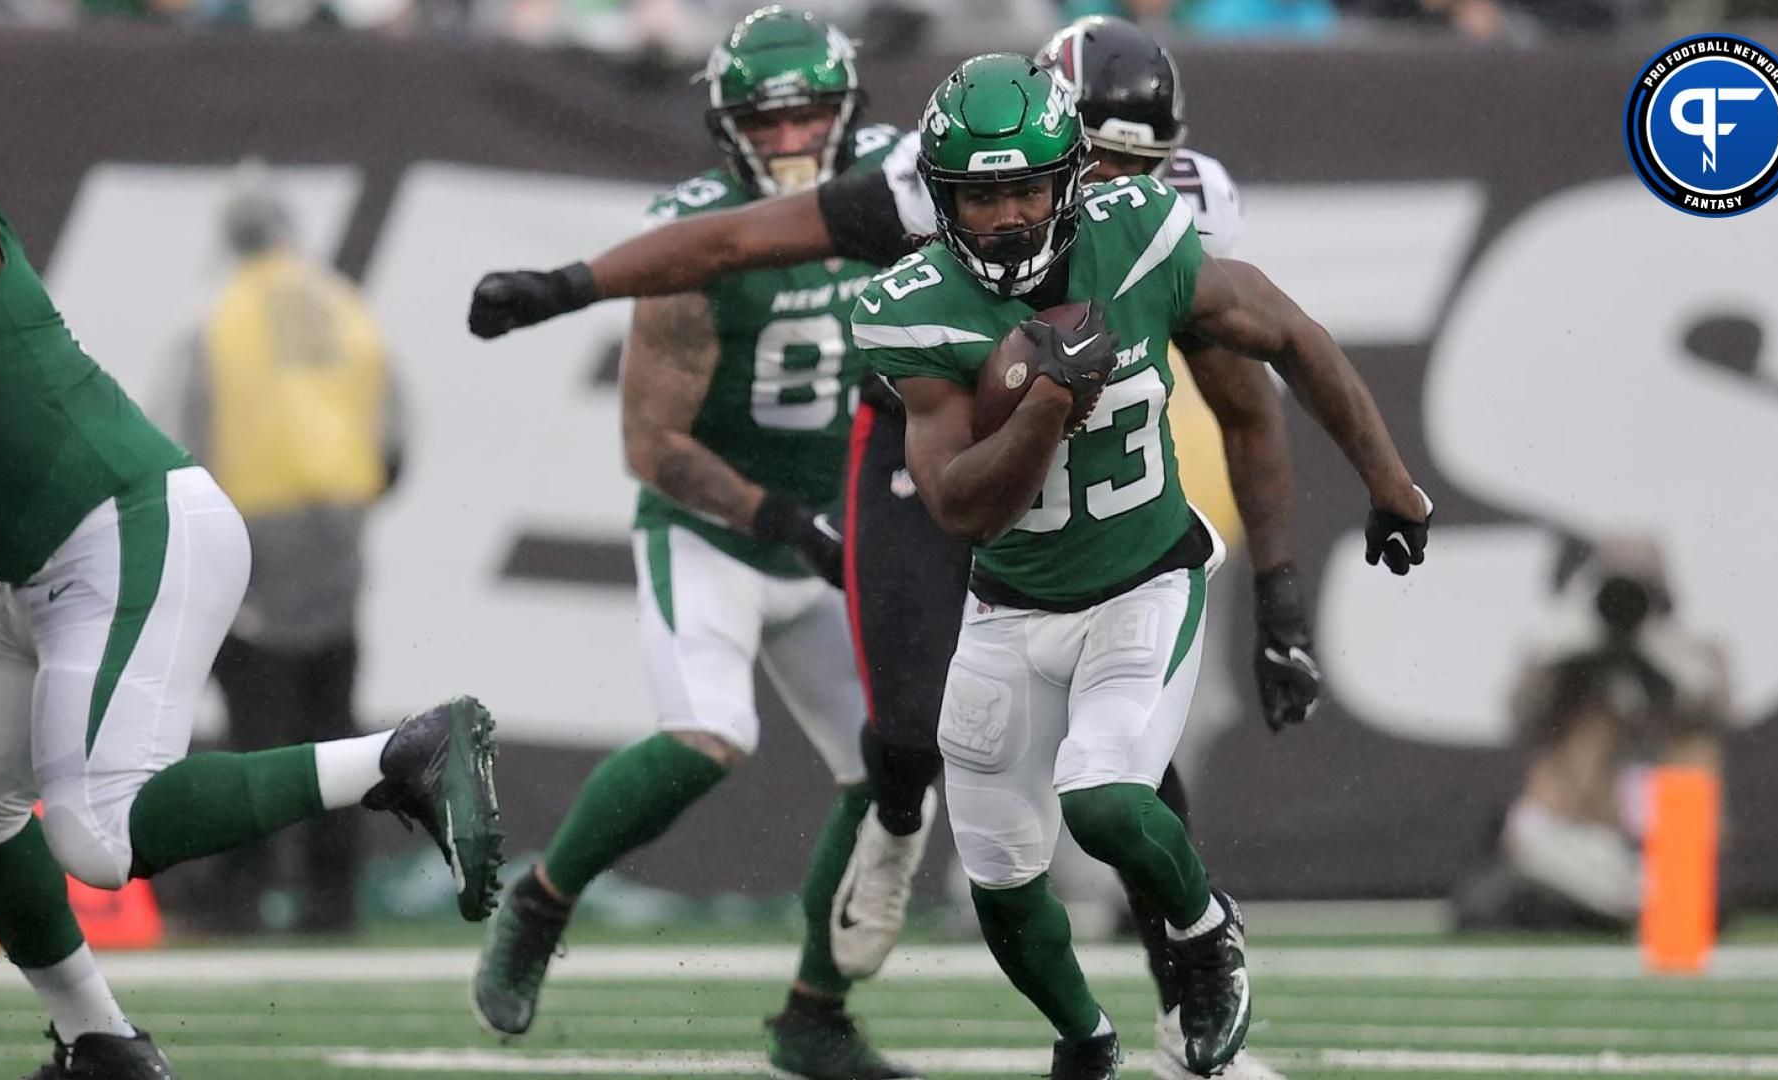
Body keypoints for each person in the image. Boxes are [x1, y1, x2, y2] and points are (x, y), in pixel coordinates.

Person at [467, 17, 1319, 1078]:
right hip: (897, 481)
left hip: (1059, 497)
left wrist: (1282, 591)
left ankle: (1173, 1023)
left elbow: (1249, 400)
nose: (1095, 185)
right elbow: (727, 249)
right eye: (1085, 156)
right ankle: (878, 829)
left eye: (1127, 164)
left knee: (1126, 777)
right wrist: (567, 285)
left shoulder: (1161, 219)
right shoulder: (917, 185)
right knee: (884, 738)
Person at [846, 55, 1428, 1079]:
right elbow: (959, 506)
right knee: (1002, 879)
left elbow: (1288, 334)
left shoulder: (1141, 232)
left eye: (1028, 187)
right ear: (942, 200)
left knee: (1106, 798)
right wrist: (1044, 405)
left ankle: (1204, 938)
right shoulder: (912, 308)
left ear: (1072, 179)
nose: (1010, 217)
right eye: (981, 196)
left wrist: (1390, 482)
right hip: (1007, 602)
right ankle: (1088, 1038)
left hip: (1143, 581)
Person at [0, 149, 502, 1080]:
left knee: (100, 835)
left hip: (122, 523)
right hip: (41, 559)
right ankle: (99, 1041)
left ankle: (405, 755)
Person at [468, 10, 918, 1079]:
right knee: (708, 736)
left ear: (849, 109)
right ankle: (541, 903)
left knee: (892, 772)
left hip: (835, 528)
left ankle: (813, 1014)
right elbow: (650, 443)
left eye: (814, 111)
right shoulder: (695, 238)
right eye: (773, 118)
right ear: (726, 128)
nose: (796, 134)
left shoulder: (900, 195)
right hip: (717, 529)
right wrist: (780, 520)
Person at [172, 172, 407, 935]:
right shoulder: (347, 306)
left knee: (256, 718)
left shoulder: (221, 317)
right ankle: (333, 891)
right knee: (333, 711)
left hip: (250, 528)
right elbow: (396, 434)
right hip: (338, 525)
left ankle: (243, 888)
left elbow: (181, 434)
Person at [1454, 535, 1732, 933]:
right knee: (1504, 880)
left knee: (1695, 747)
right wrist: (1565, 652)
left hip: (1665, 840)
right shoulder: (1567, 660)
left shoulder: (1696, 653)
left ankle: (1632, 901)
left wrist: (1660, 657)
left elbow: (1715, 712)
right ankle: (1616, 902)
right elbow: (1520, 718)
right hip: (1577, 834)